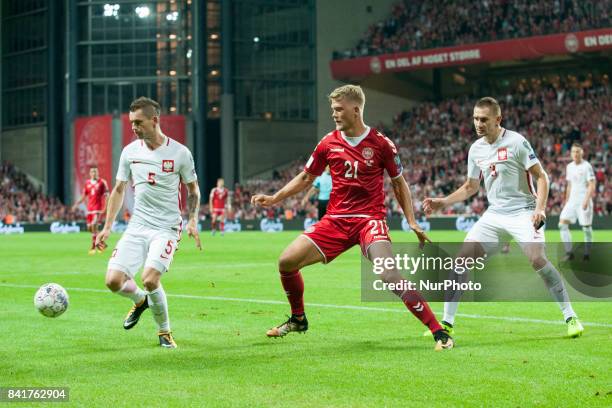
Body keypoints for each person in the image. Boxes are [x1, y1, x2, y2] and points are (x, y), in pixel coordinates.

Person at [251, 85, 454, 351]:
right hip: (335, 220)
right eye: (333, 109)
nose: (334, 114)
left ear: (355, 110)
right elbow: (306, 177)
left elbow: (398, 183)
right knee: (286, 261)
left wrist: (412, 220)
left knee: (389, 274)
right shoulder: (328, 142)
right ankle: (299, 319)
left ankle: (439, 332)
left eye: (338, 109)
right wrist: (275, 198)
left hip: (369, 220)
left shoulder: (381, 143)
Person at [423, 97, 584, 338]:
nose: (478, 123)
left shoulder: (517, 142)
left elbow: (542, 177)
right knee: (460, 261)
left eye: (484, 119)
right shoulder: (476, 149)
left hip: (524, 212)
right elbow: (470, 186)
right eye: (476, 118)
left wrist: (540, 209)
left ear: (498, 119)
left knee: (537, 259)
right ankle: (446, 323)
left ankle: (571, 317)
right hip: (495, 215)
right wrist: (443, 202)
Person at [96, 97, 201, 349]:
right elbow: (119, 189)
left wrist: (193, 219)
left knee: (150, 278)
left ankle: (164, 332)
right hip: (137, 226)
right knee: (112, 281)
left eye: (138, 122)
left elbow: (193, 191)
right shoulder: (130, 152)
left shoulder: (180, 153)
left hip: (166, 228)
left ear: (154, 120)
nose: (134, 128)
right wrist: (107, 226)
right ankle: (141, 301)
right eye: (131, 122)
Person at [559, 143, 596, 261]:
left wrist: (586, 200)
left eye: (578, 151)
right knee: (562, 224)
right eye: (573, 151)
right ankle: (569, 253)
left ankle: (587, 253)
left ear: (582, 153)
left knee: (586, 228)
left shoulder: (587, 166)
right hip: (571, 201)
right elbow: (569, 185)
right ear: (571, 153)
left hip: (583, 200)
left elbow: (592, 184)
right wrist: (566, 201)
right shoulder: (569, 166)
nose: (575, 154)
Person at [72, 166, 109, 254]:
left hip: (98, 209)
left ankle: (93, 247)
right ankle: (101, 244)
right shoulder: (87, 183)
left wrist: (105, 207)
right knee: (90, 229)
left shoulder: (102, 182)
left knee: (94, 225)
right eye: (92, 172)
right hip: (90, 209)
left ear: (98, 173)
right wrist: (76, 204)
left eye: (95, 172)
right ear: (90, 173)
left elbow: (107, 196)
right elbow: (84, 196)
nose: (94, 173)